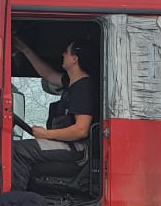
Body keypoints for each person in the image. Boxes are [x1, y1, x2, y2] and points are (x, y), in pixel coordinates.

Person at [11, 33, 98, 190]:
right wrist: (24, 49)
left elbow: (81, 130)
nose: (63, 54)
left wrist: (45, 134)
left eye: (67, 51)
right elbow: (47, 74)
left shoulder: (83, 88)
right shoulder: (72, 83)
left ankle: (15, 205)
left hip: (75, 149)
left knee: (17, 150)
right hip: (64, 144)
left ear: (75, 58)